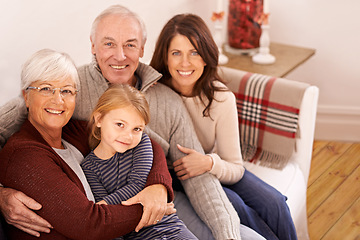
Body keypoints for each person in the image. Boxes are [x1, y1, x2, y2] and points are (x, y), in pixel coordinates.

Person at [0, 5, 265, 240]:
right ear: (92, 45)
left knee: (251, 227)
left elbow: (193, 174)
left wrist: (161, 189)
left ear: (142, 48)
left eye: (129, 44)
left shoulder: (168, 100)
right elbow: (11, 125)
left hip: (169, 197)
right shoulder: (69, 85)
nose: (120, 55)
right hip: (120, 212)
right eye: (108, 44)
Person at [0, 48, 177, 239]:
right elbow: (89, 224)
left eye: (67, 91)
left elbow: (145, 141)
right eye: (45, 89)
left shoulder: (73, 132)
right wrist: (153, 208)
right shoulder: (25, 154)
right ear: (26, 96)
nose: (58, 100)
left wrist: (158, 187)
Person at [150, 13, 298, 240]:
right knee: (236, 205)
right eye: (176, 53)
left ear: (206, 57)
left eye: (194, 53)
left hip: (209, 164)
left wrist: (208, 162)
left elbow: (236, 167)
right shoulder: (155, 95)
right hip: (178, 175)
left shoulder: (221, 99)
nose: (185, 63)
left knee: (275, 202)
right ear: (165, 57)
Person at [81, 84, 197, 239]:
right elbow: (108, 218)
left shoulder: (142, 144)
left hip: (169, 229)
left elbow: (138, 185)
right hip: (134, 235)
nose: (128, 136)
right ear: (99, 119)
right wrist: (104, 211)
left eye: (136, 129)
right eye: (120, 125)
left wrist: (103, 205)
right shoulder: (89, 168)